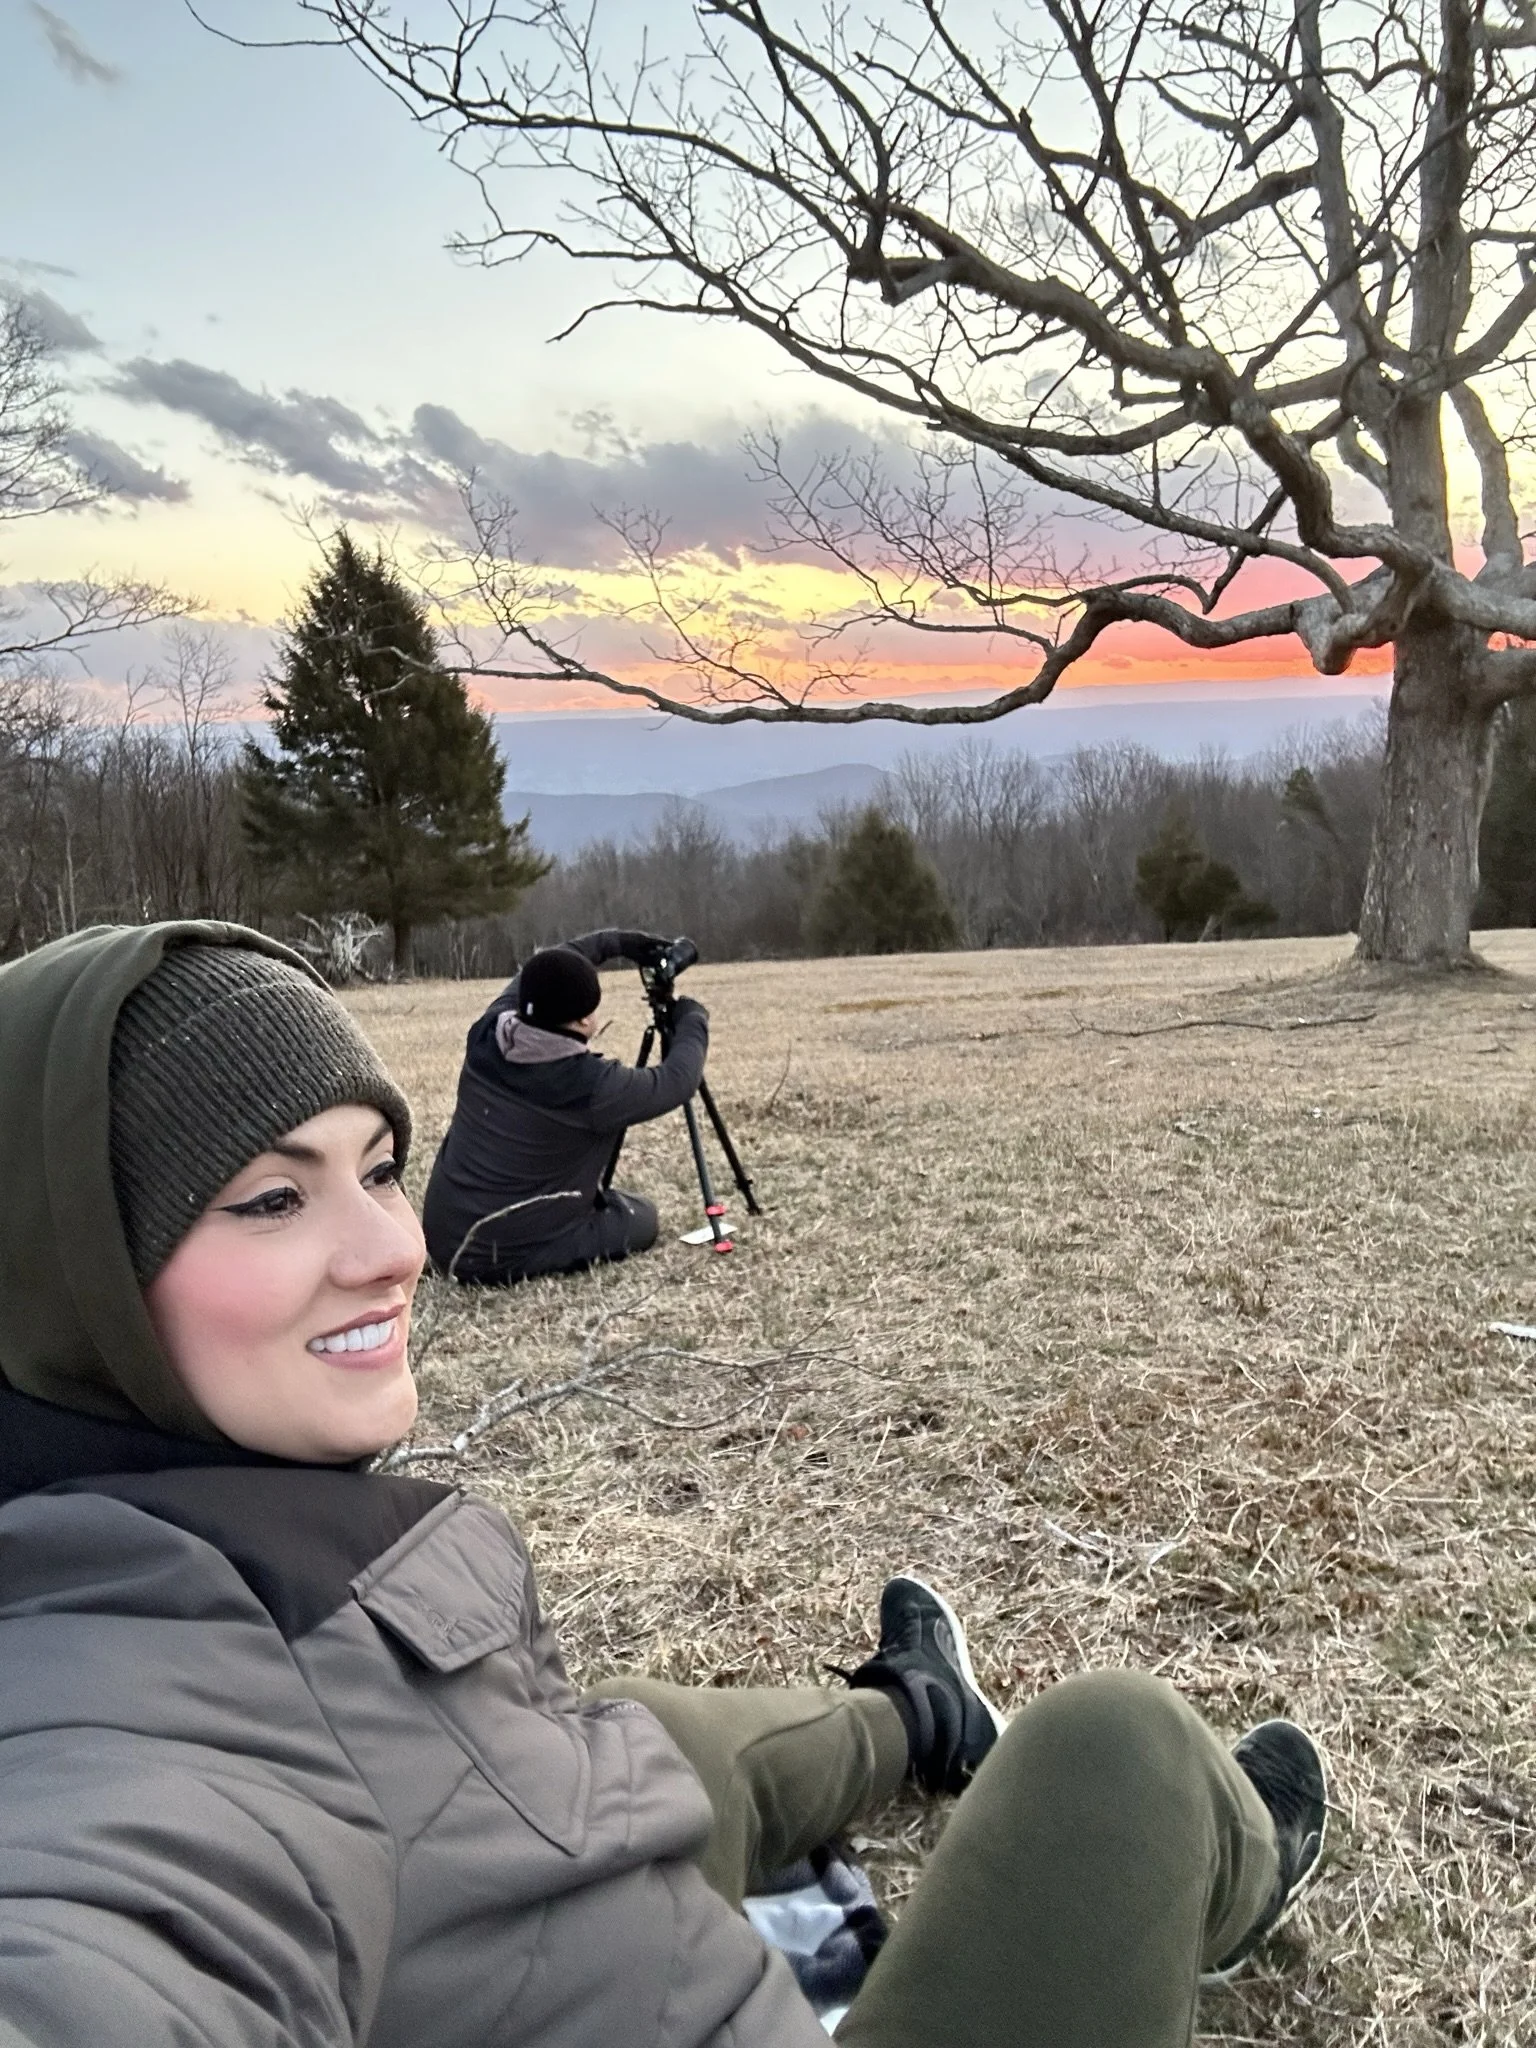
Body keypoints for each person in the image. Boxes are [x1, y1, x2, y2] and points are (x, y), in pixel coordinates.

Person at [0, 920, 1331, 2048]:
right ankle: (1235, 1863)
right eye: (270, 1200)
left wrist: (603, 955)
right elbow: (106, 1924)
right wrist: (684, 1022)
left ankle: (924, 1710)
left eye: (379, 1168)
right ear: (63, 1268)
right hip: (531, 1242)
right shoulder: (121, 1737)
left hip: (490, 1872)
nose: (388, 1248)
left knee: (631, 1731)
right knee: (1120, 1745)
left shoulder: (487, 1045)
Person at [421, 928, 708, 1285]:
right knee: (641, 1217)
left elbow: (549, 966)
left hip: (442, 1235)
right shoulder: (592, 1086)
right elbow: (677, 1080)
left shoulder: (488, 1031)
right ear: (585, 1020)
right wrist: (692, 1017)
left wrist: (620, 943)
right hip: (498, 1257)